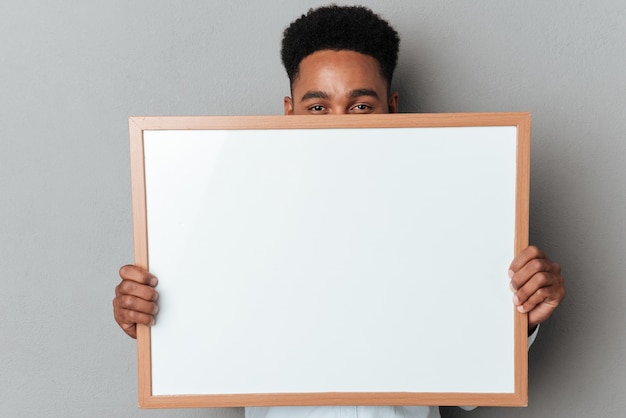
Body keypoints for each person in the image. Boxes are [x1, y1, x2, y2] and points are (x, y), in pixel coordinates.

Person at [113, 5, 566, 418]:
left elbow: (468, 391)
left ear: (392, 109)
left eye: (360, 105)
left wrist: (519, 316)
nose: (340, 122)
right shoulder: (236, 221)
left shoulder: (448, 220)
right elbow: (213, 357)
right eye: (318, 106)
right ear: (290, 112)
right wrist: (157, 329)